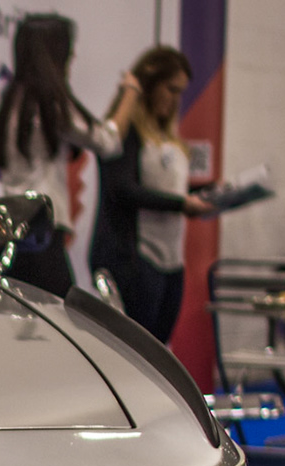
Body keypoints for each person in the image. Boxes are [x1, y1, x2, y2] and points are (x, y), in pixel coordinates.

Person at [0, 13, 139, 296]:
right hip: (43, 241)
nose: (73, 57)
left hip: (13, 246)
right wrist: (131, 91)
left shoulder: (9, 104)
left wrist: (1, 223)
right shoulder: (53, 105)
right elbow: (107, 142)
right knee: (56, 315)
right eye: (68, 50)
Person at [89, 46, 215, 343]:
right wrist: (182, 204)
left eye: (180, 92)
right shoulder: (126, 130)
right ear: (150, 84)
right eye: (170, 89)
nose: (175, 100)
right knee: (135, 350)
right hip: (135, 258)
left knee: (159, 349)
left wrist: (211, 194)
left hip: (171, 259)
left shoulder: (166, 134)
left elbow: (167, 190)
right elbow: (122, 189)